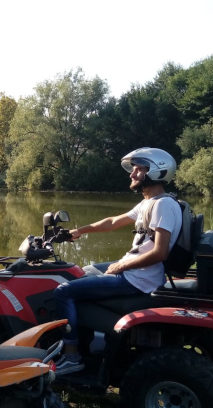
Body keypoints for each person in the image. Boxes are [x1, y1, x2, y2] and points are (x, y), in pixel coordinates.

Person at [52, 147, 182, 375]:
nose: (132, 175)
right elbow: (112, 221)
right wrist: (79, 231)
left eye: (139, 169)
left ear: (156, 172)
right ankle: (90, 339)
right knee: (83, 270)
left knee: (63, 291)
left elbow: (160, 252)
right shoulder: (149, 202)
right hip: (137, 272)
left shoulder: (163, 205)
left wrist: (121, 266)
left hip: (138, 279)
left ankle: (71, 355)